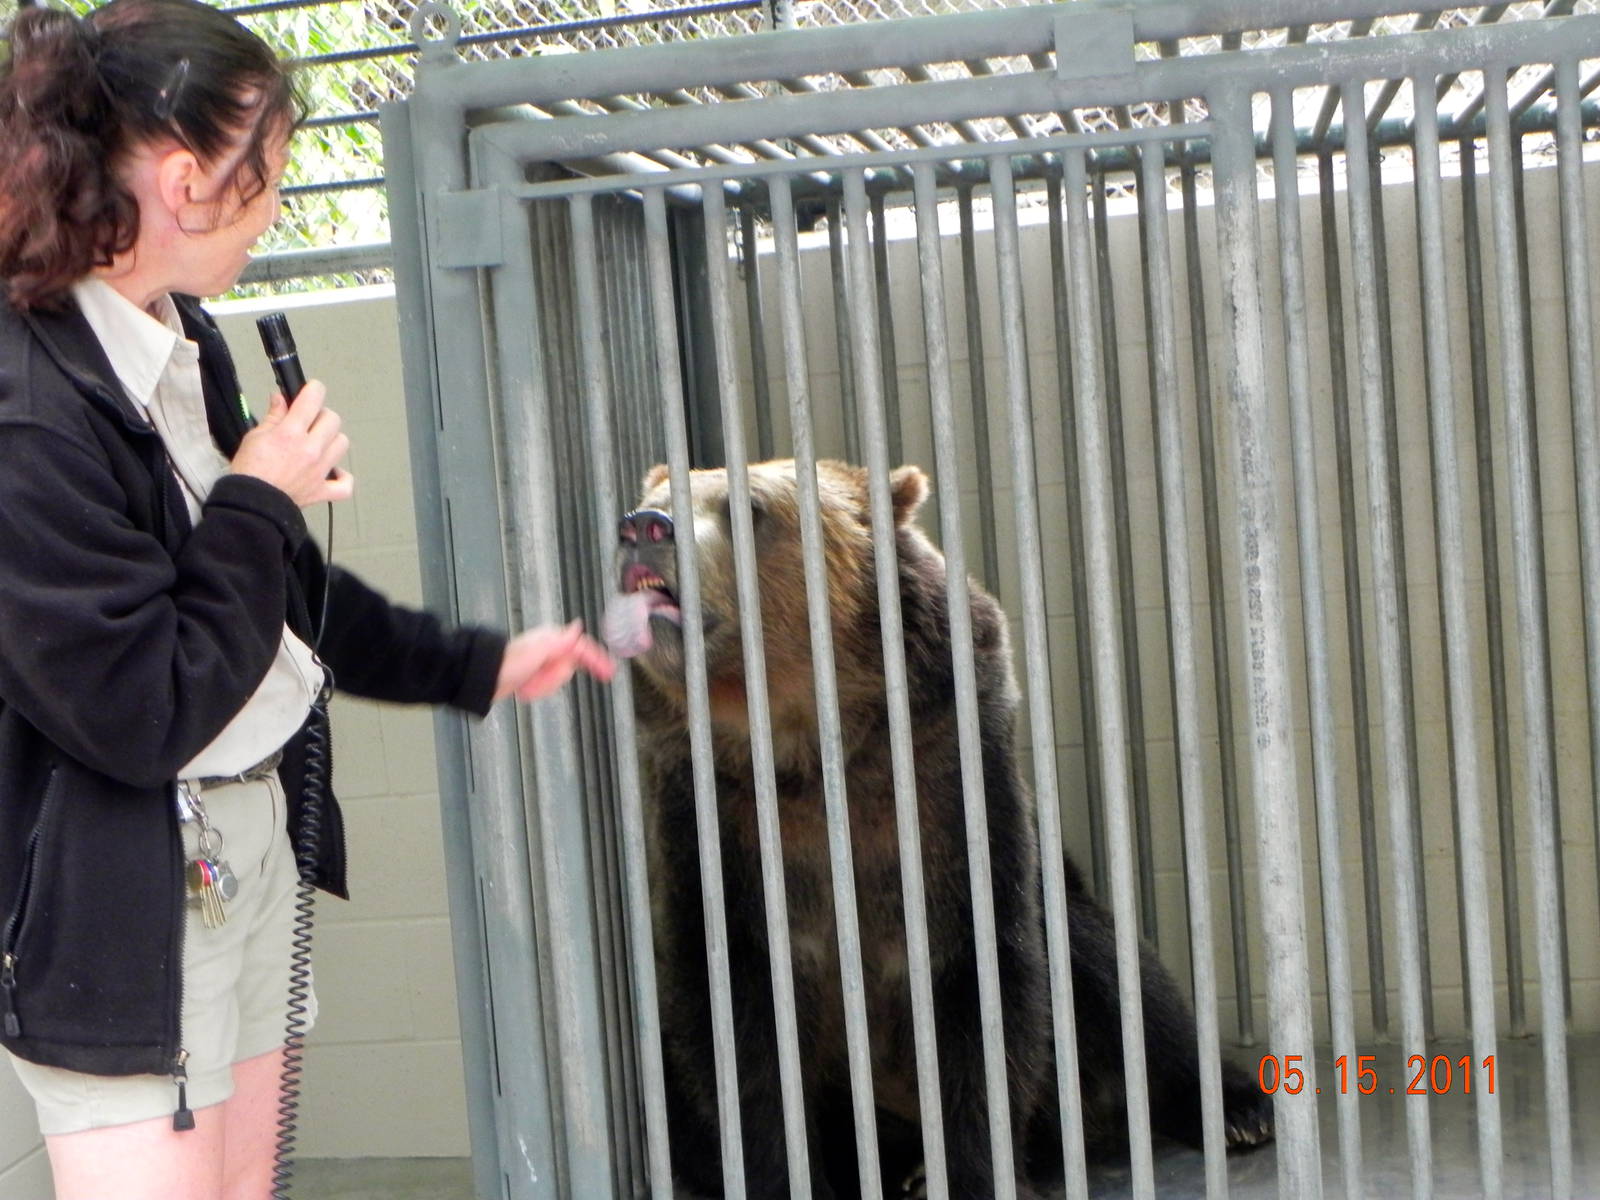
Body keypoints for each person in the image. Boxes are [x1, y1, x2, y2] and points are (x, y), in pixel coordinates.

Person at [0, 0, 615, 1196]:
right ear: (188, 181)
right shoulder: (27, 410)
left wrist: (473, 663)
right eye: (268, 173)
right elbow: (137, 708)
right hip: (120, 899)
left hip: (245, 839)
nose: (275, 205)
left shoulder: (182, 339)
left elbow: (279, 600)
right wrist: (258, 497)